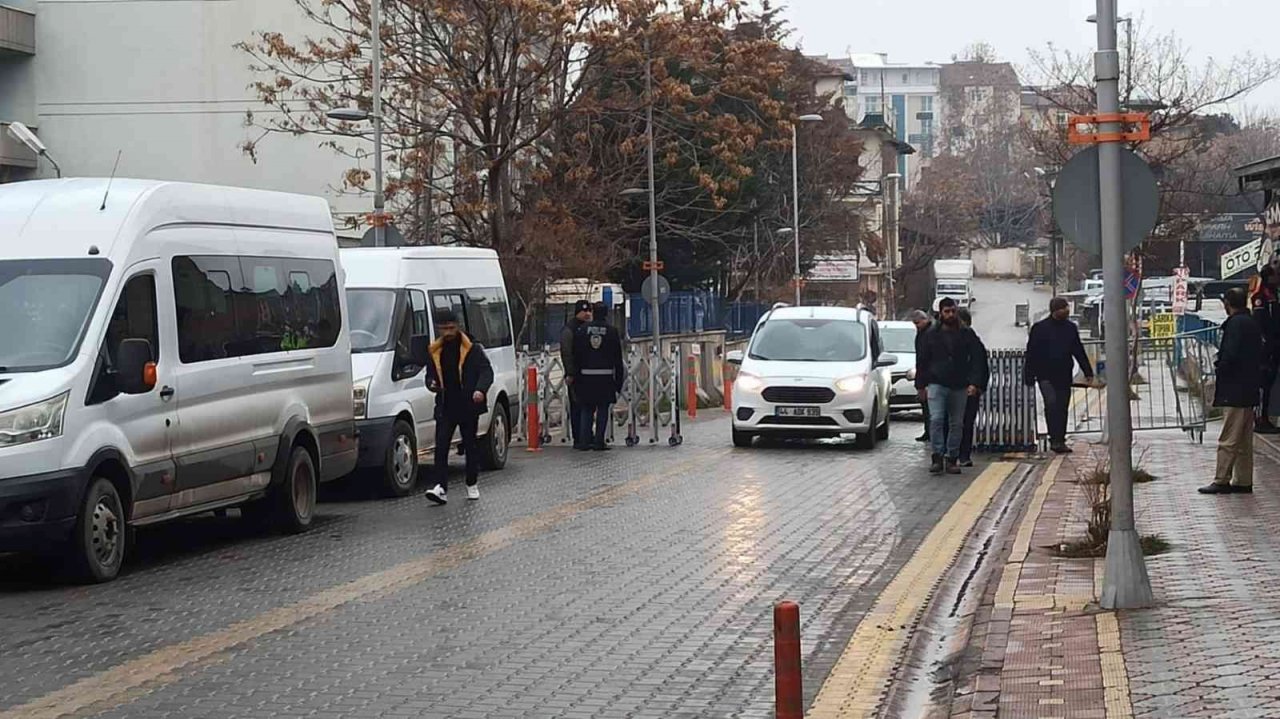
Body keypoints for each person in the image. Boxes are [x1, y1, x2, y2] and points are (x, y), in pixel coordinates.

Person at [423, 310, 494, 505]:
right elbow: (429, 376)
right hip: (446, 405)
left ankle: (472, 483)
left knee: (470, 445)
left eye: (451, 328)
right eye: (444, 328)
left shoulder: (473, 349)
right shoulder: (435, 351)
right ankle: (440, 487)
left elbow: (486, 371)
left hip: (469, 405)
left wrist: (480, 390)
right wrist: (431, 383)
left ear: (458, 326)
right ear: (439, 329)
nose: (448, 332)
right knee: (441, 446)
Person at [1201, 287, 1263, 494]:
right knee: (1244, 439)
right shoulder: (1251, 323)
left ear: (1228, 303)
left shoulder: (1235, 325)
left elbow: (1230, 355)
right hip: (1249, 388)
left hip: (1234, 389)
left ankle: (1221, 479)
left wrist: (1221, 367)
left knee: (1229, 437)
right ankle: (1244, 480)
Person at [915, 297, 983, 475]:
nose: (951, 314)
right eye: (947, 311)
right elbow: (922, 361)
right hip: (937, 383)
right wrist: (921, 385)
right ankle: (937, 455)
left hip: (959, 385)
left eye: (953, 311)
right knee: (936, 419)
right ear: (941, 313)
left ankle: (952, 457)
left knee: (956, 423)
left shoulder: (967, 334)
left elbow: (978, 359)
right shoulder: (931, 335)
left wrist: (975, 383)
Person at [1024, 297, 1094, 454]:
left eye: (1067, 308)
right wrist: (1028, 374)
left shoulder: (1070, 328)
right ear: (1055, 310)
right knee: (1051, 404)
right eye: (1064, 308)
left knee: (1062, 407)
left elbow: (1078, 350)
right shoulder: (1040, 328)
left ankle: (1059, 439)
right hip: (1045, 375)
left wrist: (1088, 371)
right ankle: (1054, 438)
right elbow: (1032, 353)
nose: (1067, 311)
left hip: (1063, 374)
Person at [572, 302, 626, 451]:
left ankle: (583, 442)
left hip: (585, 376)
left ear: (593, 313)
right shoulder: (612, 331)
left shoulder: (582, 330)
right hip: (605, 377)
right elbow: (618, 359)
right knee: (603, 410)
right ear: (607, 314)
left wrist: (575, 377)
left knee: (586, 409)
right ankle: (599, 441)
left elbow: (576, 355)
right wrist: (618, 382)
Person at [956, 307, 989, 467]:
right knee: (958, 422)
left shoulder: (974, 341)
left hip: (968, 388)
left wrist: (977, 385)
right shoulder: (946, 337)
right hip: (955, 387)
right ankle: (956, 454)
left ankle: (962, 454)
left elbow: (981, 365)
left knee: (966, 422)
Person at [560, 300, 594, 449]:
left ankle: (587, 435)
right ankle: (578, 437)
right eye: (584, 311)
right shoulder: (569, 329)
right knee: (577, 405)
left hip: (589, 373)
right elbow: (566, 352)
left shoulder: (590, 327)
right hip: (576, 374)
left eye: (589, 311)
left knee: (588, 406)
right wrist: (570, 372)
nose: (587, 314)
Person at [1251, 265, 1280, 433]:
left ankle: (1266, 417)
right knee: (1263, 385)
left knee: (1270, 384)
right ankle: (1261, 419)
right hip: (1266, 350)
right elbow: (1261, 324)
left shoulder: (1274, 296)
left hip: (1275, 347)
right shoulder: (1260, 298)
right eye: (1275, 276)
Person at [908, 309, 935, 443]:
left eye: (918, 323)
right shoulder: (923, 333)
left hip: (929, 378)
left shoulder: (929, 334)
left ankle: (931, 431)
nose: (916, 326)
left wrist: (922, 383)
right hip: (925, 377)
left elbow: (924, 360)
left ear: (925, 320)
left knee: (930, 408)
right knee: (926, 407)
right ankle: (928, 431)